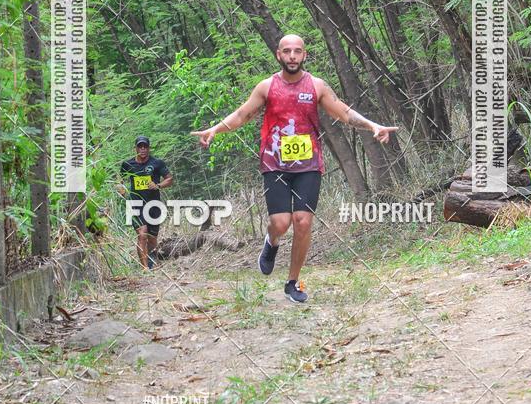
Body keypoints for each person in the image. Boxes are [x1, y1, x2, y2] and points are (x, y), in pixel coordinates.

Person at [191, 34, 398, 303]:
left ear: (304, 55)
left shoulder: (316, 86)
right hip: (274, 163)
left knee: (303, 221)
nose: (292, 56)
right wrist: (215, 130)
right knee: (281, 223)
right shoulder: (267, 87)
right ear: (278, 55)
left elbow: (343, 112)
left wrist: (373, 125)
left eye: (297, 51)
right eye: (287, 51)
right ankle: (272, 241)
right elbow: (243, 114)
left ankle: (293, 282)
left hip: (308, 165)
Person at [118, 137, 173, 269]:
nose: (142, 149)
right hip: (135, 204)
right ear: (135, 148)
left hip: (153, 205)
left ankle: (152, 263)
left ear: (149, 148)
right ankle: (145, 268)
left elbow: (170, 179)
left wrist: (158, 185)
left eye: (145, 147)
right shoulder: (128, 164)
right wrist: (121, 189)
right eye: (140, 146)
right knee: (142, 234)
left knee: (152, 237)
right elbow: (119, 179)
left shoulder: (157, 163)